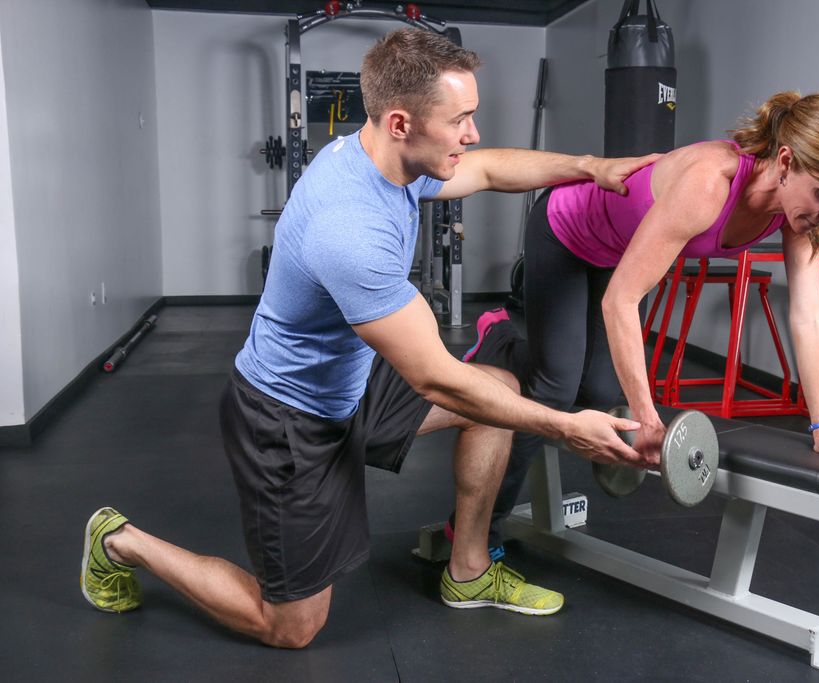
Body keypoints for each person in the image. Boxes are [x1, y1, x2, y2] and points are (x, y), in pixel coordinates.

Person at [79, 28, 659, 649]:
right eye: (461, 120)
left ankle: (468, 571)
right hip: (290, 417)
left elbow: (488, 169)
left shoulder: (395, 160)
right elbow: (435, 376)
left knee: (498, 391)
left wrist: (590, 168)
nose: (473, 134)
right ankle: (120, 541)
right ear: (402, 122)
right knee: (293, 627)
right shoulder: (348, 226)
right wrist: (566, 425)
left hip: (355, 383)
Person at [456, 90, 819, 556]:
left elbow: (809, 315)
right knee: (554, 389)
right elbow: (622, 302)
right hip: (567, 230)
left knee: (601, 395)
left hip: (621, 250)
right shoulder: (709, 182)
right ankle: (482, 534)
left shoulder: (804, 213)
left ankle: (517, 347)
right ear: (786, 161)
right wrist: (647, 418)